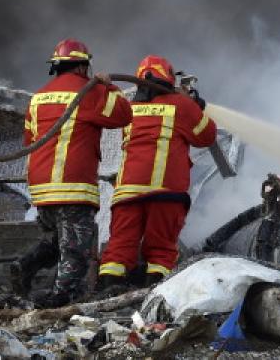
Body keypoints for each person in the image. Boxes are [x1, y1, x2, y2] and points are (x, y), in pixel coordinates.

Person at [12, 38, 132, 307]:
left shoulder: (38, 97)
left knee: (58, 241)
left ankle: (25, 265)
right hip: (72, 185)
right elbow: (123, 114)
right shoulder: (89, 92)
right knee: (76, 248)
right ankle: (62, 299)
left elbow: (29, 138)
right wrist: (107, 85)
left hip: (41, 187)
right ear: (82, 67)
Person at [97, 55, 216, 292]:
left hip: (128, 192)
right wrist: (194, 105)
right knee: (160, 250)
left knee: (119, 246)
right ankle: (154, 294)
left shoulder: (130, 111)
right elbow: (207, 136)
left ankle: (107, 293)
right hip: (166, 192)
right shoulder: (181, 106)